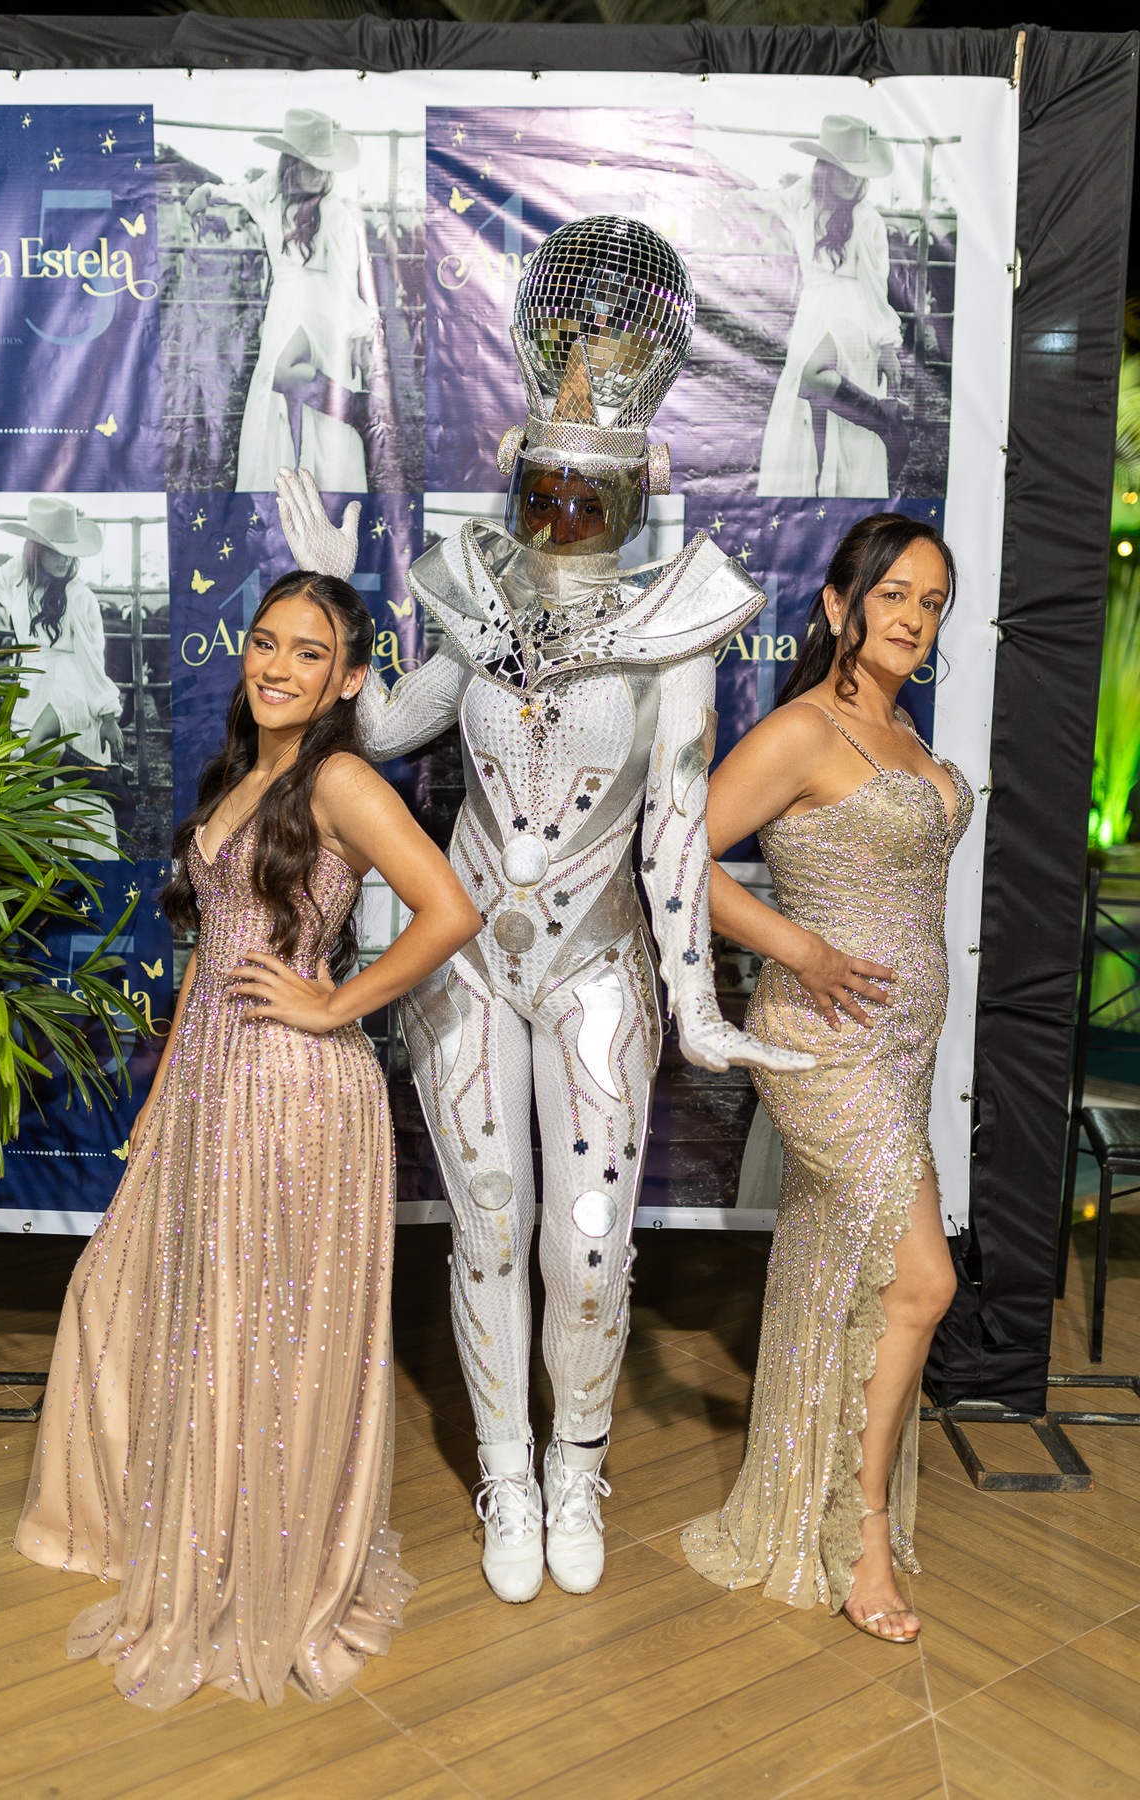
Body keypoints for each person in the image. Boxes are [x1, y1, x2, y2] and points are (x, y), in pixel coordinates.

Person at [276, 214, 813, 1611]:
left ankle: (578, 1465)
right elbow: (379, 733)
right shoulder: (473, 612)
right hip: (465, 966)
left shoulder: (675, 628)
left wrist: (698, 1004)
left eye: (587, 499)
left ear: (630, 498)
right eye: (543, 494)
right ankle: (505, 1473)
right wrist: (335, 600)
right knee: (488, 1224)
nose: (560, 518)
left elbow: (679, 828)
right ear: (517, 485)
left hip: (594, 970)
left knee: (584, 1241)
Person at [14, 570, 482, 1710]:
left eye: (308, 653)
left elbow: (453, 910)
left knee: (253, 1325)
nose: (277, 666)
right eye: (266, 642)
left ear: (351, 678)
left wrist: (332, 1004)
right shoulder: (244, 772)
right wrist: (164, 1091)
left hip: (291, 1090)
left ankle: (251, 1557)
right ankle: (170, 1523)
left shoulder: (342, 779)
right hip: (209, 1083)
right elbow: (213, 952)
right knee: (136, 1293)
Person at [681, 512, 971, 1643]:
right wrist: (798, 948)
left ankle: (803, 1506)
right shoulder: (805, 730)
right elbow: (675, 857)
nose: (914, 618)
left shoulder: (901, 731)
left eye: (932, 602)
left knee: (846, 1271)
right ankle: (862, 1537)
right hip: (825, 1044)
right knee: (923, 1282)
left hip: (903, 1049)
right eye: (894, 594)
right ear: (840, 605)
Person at [184, 109, 377, 489]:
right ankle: (295, 480)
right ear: (291, 163)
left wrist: (359, 333)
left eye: (324, 166)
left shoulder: (333, 211)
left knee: (283, 372)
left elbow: (346, 277)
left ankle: (356, 410)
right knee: (286, 403)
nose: (319, 174)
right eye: (310, 164)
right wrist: (204, 191)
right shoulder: (269, 195)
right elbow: (235, 192)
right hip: (284, 302)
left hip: (322, 303)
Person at [0, 496, 123, 856]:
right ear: (36, 550)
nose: (64, 559)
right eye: (55, 550)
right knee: (24, 756)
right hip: (33, 679)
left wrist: (107, 714)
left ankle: (93, 787)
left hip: (71, 682)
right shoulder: (16, 578)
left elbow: (93, 658)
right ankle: (47, 836)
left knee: (33, 744)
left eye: (68, 551)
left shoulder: (79, 596)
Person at [752, 115, 908, 499]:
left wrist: (887, 343)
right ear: (825, 168)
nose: (853, 180)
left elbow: (876, 283)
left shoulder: (866, 218)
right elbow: (770, 202)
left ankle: (882, 417)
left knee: (812, 376)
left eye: (858, 172)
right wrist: (735, 196)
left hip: (853, 312)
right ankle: (819, 493)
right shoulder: (805, 201)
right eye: (843, 169)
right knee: (811, 414)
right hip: (814, 309)